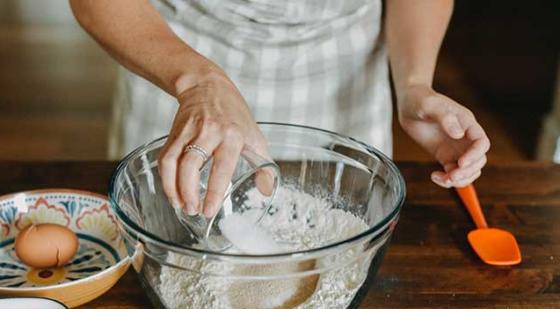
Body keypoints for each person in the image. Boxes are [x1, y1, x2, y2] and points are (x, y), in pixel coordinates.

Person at [70, 0, 489, 219]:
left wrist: (414, 82)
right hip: (176, 61)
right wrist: (197, 82)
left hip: (339, 72)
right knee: (172, 224)